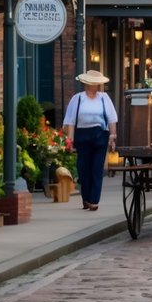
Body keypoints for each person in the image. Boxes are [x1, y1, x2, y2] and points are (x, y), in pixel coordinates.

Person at [61, 69, 118, 211]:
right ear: (86, 84)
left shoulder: (104, 98)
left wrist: (112, 135)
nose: (94, 86)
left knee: (97, 169)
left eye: (96, 84)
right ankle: (85, 198)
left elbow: (111, 119)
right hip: (82, 136)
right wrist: (70, 140)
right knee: (83, 169)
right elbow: (71, 121)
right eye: (91, 83)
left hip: (100, 135)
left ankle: (94, 200)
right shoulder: (78, 98)